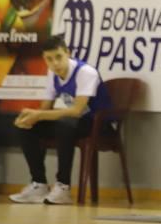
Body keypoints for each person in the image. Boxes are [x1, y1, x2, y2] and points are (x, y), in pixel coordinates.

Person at [8, 36, 109, 205]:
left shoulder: (86, 72)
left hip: (98, 124)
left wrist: (38, 114)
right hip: (74, 124)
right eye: (49, 59)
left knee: (65, 123)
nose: (55, 63)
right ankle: (39, 183)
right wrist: (31, 117)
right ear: (44, 59)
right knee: (27, 126)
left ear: (68, 53)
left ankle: (63, 187)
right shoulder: (52, 74)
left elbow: (77, 111)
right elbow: (45, 108)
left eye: (59, 57)